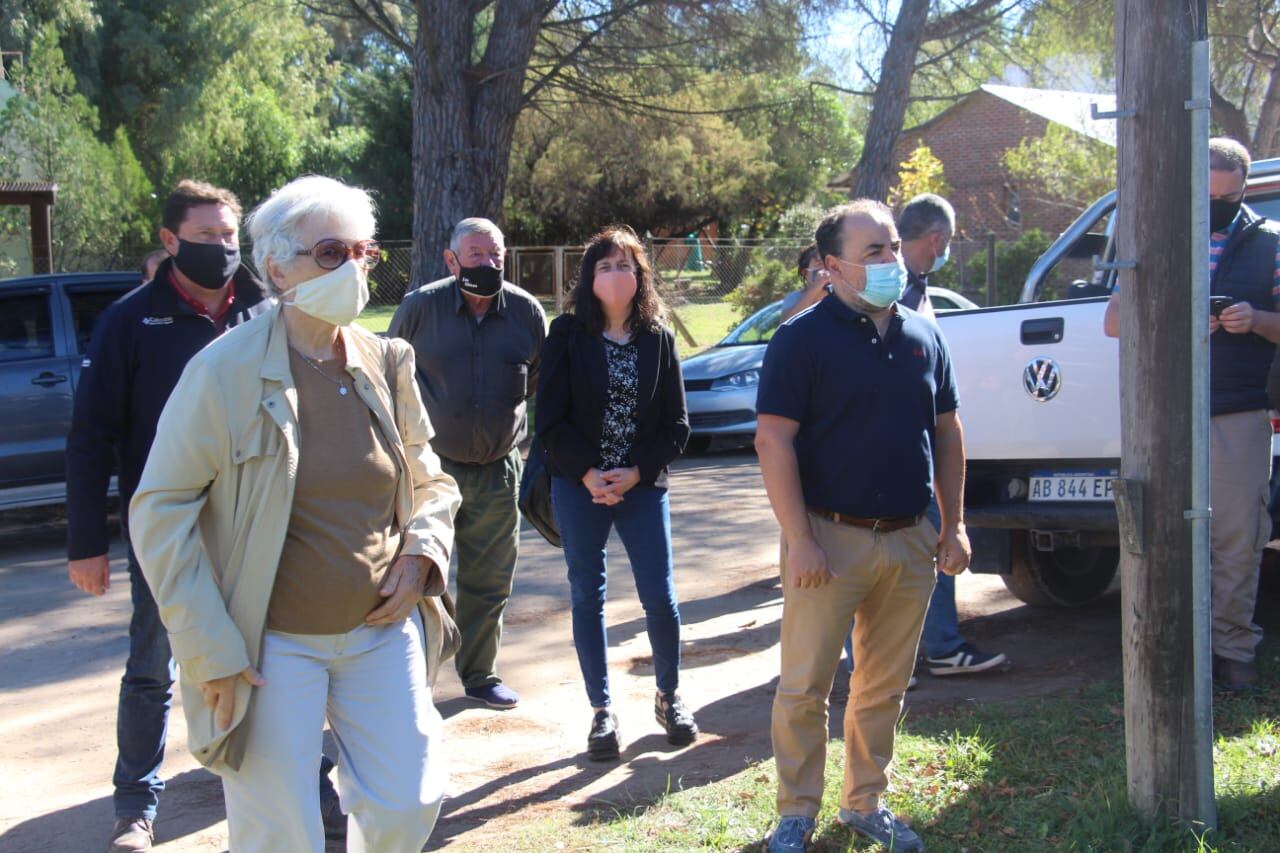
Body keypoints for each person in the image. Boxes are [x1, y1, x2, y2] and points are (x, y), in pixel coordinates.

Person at [128, 176, 460, 852]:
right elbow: (159, 508)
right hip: (266, 648)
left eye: (363, 252)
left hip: (378, 629)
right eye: (331, 252)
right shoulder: (221, 372)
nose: (354, 268)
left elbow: (433, 482)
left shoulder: (388, 360)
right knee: (279, 832)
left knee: (409, 799)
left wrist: (422, 554)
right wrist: (208, 645)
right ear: (277, 266)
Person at [64, 180, 274, 852]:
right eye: (207, 236)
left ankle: (296, 777)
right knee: (155, 661)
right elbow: (92, 434)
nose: (222, 249)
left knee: (273, 653)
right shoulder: (130, 319)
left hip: (255, 521)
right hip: (170, 527)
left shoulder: (265, 311)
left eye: (228, 236)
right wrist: (86, 542)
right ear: (169, 240)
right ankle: (135, 806)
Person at [756, 200, 970, 853]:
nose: (890, 261)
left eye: (893, 248)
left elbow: (948, 430)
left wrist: (952, 523)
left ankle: (864, 800)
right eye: (873, 251)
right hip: (828, 536)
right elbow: (773, 442)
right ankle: (796, 810)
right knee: (805, 685)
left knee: (883, 684)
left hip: (909, 537)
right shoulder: (800, 339)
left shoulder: (922, 334)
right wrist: (800, 538)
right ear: (830, 265)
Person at [1104, 137, 1280, 690]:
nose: (1217, 205)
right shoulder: (1157, 233)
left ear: (1244, 188)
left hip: (1237, 411)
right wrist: (1177, 320)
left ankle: (1232, 652)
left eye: (1228, 196)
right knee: (1162, 538)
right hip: (1164, 414)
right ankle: (1168, 650)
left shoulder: (1271, 242)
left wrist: (1255, 319)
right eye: (1207, 194)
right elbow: (1114, 322)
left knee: (1235, 537)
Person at [535, 225, 698, 760]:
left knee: (661, 596)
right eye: (604, 266)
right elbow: (550, 421)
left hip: (641, 485)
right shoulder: (565, 334)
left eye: (625, 265)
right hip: (578, 486)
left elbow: (677, 426)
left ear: (640, 276)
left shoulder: (659, 337)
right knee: (588, 595)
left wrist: (634, 473)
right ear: (589, 278)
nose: (615, 274)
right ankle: (601, 711)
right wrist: (587, 474)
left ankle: (669, 696)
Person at [388, 217, 546, 709]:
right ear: (451, 260)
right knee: (416, 574)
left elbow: (536, 380)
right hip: (430, 472)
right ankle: (408, 680)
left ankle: (480, 673)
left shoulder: (526, 313)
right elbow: (389, 379)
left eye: (495, 254)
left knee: (490, 579)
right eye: (476, 255)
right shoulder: (420, 309)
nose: (487, 263)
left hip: (499, 470)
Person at [894, 193, 1006, 677]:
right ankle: (914, 655)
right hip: (902, 447)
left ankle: (938, 646)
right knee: (912, 548)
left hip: (922, 439)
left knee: (934, 542)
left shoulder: (913, 284)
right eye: (948, 243)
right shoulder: (893, 285)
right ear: (937, 239)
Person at [780, 243, 830, 322]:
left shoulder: (840, 295)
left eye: (827, 265)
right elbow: (785, 324)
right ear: (805, 273)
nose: (825, 271)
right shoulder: (793, 297)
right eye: (819, 264)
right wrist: (816, 287)